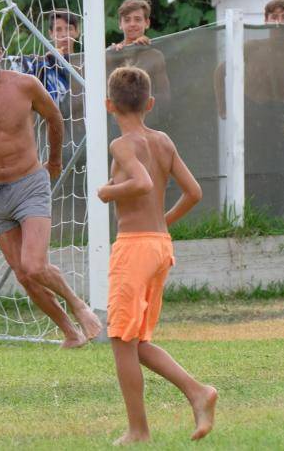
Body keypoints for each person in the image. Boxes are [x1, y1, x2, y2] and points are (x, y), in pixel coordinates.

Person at [0, 25, 101, 348]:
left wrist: (54, 161)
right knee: (24, 275)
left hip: (30, 183)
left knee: (34, 264)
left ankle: (79, 305)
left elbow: (55, 118)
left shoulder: (26, 85)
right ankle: (70, 333)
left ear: (0, 50)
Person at [97, 66, 217, 445]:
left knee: (120, 339)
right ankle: (198, 392)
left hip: (134, 248)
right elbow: (194, 192)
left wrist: (107, 192)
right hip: (159, 246)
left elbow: (142, 183)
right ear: (149, 103)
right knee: (136, 343)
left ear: (108, 105)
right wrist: (162, 222)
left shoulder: (122, 144)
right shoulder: (163, 141)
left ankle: (138, 430)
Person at [214, 0, 284, 220]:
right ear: (265, 20)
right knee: (251, 173)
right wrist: (223, 109)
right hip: (250, 115)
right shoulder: (252, 46)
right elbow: (220, 71)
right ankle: (245, 220)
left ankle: (278, 222)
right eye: (274, 16)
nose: (278, 21)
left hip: (277, 117)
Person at [106, 0, 170, 108]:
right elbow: (104, 93)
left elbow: (165, 96)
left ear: (147, 23)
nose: (132, 24)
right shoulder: (112, 54)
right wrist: (113, 56)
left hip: (148, 117)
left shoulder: (155, 56)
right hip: (118, 119)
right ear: (120, 24)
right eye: (127, 20)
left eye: (138, 19)